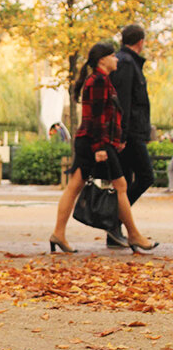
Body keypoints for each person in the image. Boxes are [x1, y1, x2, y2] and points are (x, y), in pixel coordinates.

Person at [49, 41, 158, 254]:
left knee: (74, 188)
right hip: (96, 142)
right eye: (113, 56)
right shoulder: (98, 81)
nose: (116, 59)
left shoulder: (101, 80)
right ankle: (134, 234)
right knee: (121, 186)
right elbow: (96, 118)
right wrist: (100, 147)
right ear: (102, 60)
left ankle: (58, 234)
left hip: (91, 142)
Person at [106, 24, 154, 247]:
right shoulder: (127, 63)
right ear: (141, 42)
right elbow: (123, 101)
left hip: (131, 131)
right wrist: (123, 135)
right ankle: (114, 221)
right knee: (146, 176)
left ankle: (114, 230)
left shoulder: (127, 62)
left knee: (126, 180)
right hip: (130, 133)